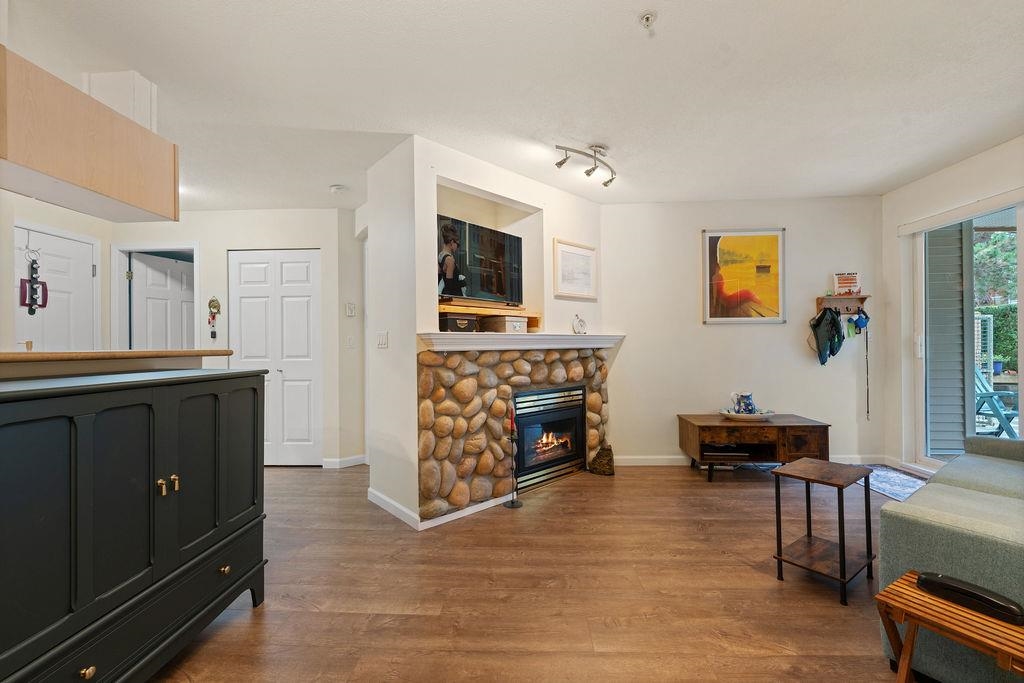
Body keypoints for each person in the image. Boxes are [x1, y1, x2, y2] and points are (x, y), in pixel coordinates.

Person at [438, 223, 466, 296]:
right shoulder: (450, 260)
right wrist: (462, 282)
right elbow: (449, 286)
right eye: (458, 244)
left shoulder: (440, 255)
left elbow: (439, 277)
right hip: (454, 297)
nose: (457, 247)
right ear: (452, 242)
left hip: (445, 295)